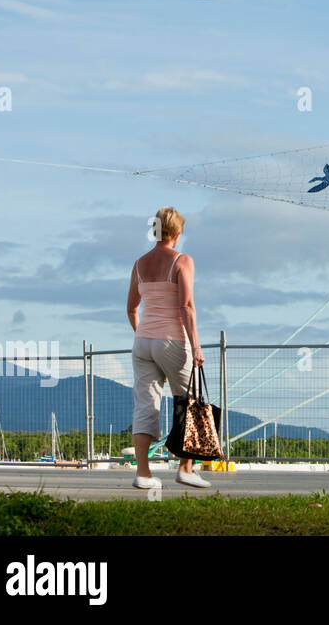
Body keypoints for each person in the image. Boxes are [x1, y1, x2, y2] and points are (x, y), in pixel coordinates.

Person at [125, 206, 210, 490]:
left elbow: (131, 309)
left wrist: (144, 335)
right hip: (173, 340)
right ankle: (186, 469)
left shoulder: (139, 263)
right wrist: (196, 346)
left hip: (143, 342)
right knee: (190, 403)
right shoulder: (182, 261)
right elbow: (186, 306)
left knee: (145, 406)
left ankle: (144, 475)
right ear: (177, 232)